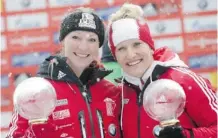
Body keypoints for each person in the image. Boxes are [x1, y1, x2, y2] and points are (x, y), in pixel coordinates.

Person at [7, 7, 122, 138]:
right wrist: (38, 133)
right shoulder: (37, 94)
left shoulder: (112, 92)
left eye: (92, 39)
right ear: (62, 41)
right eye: (76, 37)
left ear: (99, 46)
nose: (83, 46)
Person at [107, 3, 217, 138]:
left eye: (137, 44)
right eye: (121, 48)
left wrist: (187, 136)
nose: (130, 54)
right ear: (115, 56)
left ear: (150, 47)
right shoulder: (120, 94)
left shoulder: (182, 80)